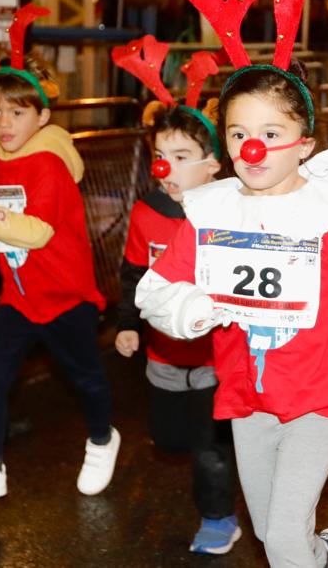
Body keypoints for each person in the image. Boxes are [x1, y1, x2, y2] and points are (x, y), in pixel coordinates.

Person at [136, 59, 328, 568]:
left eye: (270, 131)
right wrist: (193, 308)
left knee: (283, 541)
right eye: (239, 132)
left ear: (304, 143)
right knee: (271, 532)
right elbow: (156, 287)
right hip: (248, 396)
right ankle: (324, 554)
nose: (252, 147)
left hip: (319, 395)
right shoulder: (211, 212)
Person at [0, 51, 118, 504]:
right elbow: (7, 223)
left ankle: (102, 439)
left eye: (17, 113)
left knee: (85, 378)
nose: (4, 123)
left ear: (41, 116)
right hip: (21, 296)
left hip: (65, 294)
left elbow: (36, 231)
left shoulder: (47, 164)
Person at [113, 77, 241, 553]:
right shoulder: (147, 211)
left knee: (209, 449)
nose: (165, 165)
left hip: (215, 358)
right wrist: (127, 324)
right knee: (169, 439)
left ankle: (219, 518)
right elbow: (132, 274)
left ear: (212, 165)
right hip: (163, 357)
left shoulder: (229, 212)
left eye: (181, 155)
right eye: (161, 153)